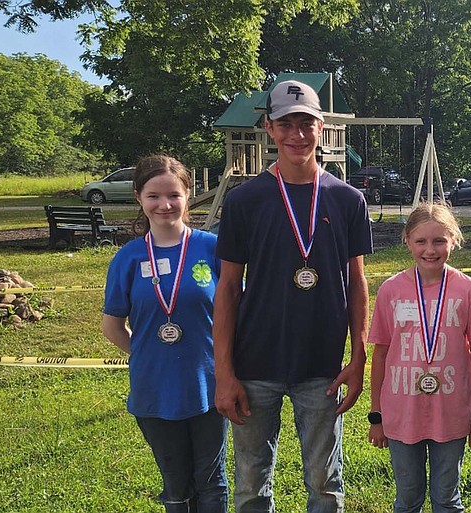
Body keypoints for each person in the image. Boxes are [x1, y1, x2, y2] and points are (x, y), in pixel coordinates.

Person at [213, 79, 373, 513]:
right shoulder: (245, 201)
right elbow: (228, 289)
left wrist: (358, 359)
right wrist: (224, 372)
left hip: (321, 366)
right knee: (250, 485)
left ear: (321, 126)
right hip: (253, 365)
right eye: (286, 124)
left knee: (324, 484)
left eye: (306, 123)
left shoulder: (348, 200)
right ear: (269, 127)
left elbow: (357, 284)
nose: (297, 135)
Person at [102, 155, 228, 512]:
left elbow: (237, 311)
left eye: (173, 194)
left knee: (212, 480)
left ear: (188, 194)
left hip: (210, 384)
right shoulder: (128, 258)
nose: (164, 204)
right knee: (175, 484)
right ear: (139, 197)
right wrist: (145, 354)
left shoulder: (213, 248)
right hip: (154, 389)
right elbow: (111, 326)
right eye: (154, 196)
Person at [367, 202, 471, 513]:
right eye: (421, 241)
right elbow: (380, 354)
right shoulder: (391, 290)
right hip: (402, 413)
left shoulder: (468, 290)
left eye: (439, 240)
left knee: (447, 499)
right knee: (407, 499)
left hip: (451, 412)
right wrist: (376, 416)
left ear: (454, 240)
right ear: (407, 241)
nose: (430, 250)